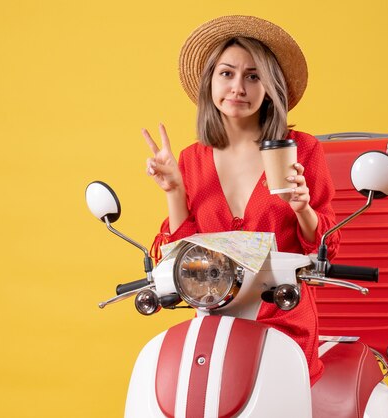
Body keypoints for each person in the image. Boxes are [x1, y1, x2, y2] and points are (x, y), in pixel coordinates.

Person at [143, 15, 340, 386]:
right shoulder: (189, 159)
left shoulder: (301, 151)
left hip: (284, 319)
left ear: (270, 87)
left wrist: (303, 208)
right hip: (216, 322)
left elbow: (326, 248)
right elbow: (181, 253)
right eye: (227, 73)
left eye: (253, 76)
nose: (238, 87)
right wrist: (174, 191)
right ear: (210, 82)